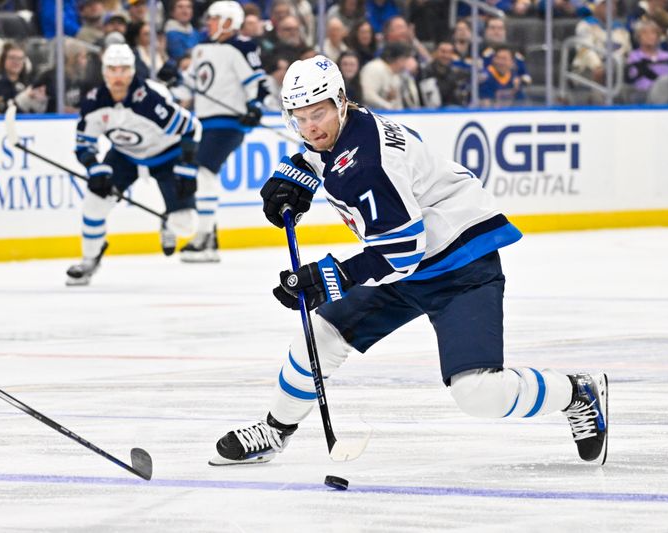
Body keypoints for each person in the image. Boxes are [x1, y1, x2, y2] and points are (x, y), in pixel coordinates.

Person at [208, 55, 609, 467]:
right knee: (320, 336)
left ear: (340, 102)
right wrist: (296, 175)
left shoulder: (367, 165)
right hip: (410, 261)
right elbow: (322, 156)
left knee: (479, 394)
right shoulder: (352, 125)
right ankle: (275, 431)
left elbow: (401, 252)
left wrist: (332, 277)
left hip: (459, 267)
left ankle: (577, 392)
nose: (311, 127)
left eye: (319, 113)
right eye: (299, 118)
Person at [67, 44, 202, 285]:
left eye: (124, 69)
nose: (118, 76)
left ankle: (168, 220)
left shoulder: (150, 100)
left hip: (166, 155)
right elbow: (84, 143)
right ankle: (89, 259)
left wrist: (187, 170)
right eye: (112, 69)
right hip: (124, 156)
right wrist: (94, 168)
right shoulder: (94, 101)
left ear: (132, 71)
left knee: (186, 226)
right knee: (94, 205)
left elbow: (191, 128)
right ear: (104, 72)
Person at [178, 1, 269, 262]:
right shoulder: (200, 50)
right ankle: (210, 238)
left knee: (204, 172)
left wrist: (255, 107)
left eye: (215, 19)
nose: (209, 23)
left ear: (229, 21)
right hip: (204, 123)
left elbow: (258, 84)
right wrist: (172, 82)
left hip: (229, 123)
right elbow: (189, 88)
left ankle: (204, 238)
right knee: (203, 174)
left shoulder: (242, 47)